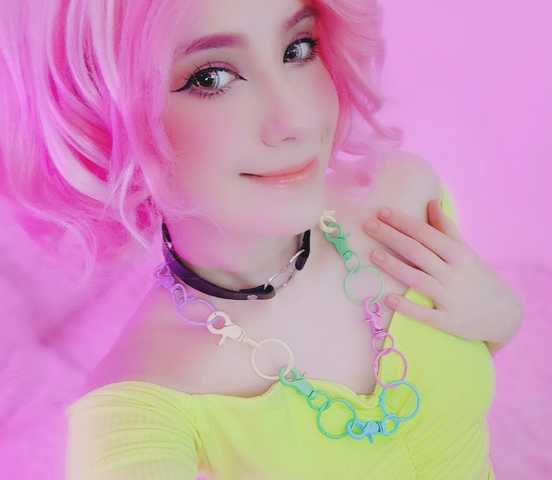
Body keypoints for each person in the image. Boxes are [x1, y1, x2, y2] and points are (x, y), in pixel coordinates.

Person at [0, 0, 508, 478]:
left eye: (298, 48)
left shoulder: (404, 200)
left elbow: (469, 365)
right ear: (103, 115)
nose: (297, 120)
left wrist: (501, 316)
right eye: (212, 78)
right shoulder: (142, 398)